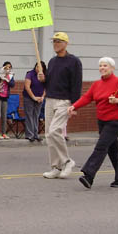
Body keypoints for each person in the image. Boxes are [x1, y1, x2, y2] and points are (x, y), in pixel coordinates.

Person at [68, 57, 118, 189]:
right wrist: (74, 106)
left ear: (112, 68)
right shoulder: (96, 84)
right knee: (112, 150)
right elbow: (87, 97)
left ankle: (89, 175)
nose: (102, 68)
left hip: (116, 120)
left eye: (105, 66)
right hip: (103, 120)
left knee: (101, 146)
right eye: (100, 66)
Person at [37, 32, 82, 179]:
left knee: (55, 130)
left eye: (59, 41)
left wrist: (75, 105)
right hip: (50, 99)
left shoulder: (74, 61)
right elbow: (50, 82)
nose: (56, 44)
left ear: (66, 43)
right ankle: (55, 167)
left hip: (65, 101)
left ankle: (67, 161)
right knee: (48, 135)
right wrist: (43, 79)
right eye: (54, 41)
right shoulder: (52, 61)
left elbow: (76, 84)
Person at [23, 61, 46, 142]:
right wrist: (33, 97)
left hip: (39, 98)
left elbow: (46, 87)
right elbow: (27, 87)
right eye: (37, 66)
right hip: (29, 97)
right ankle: (30, 135)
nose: (38, 68)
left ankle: (36, 134)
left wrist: (42, 97)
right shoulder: (30, 74)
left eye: (40, 67)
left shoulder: (44, 75)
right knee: (29, 116)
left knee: (36, 116)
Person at [0, 61, 15, 139]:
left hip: (5, 97)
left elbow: (12, 85)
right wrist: (2, 76)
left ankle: (3, 132)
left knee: (4, 116)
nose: (7, 69)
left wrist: (7, 79)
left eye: (9, 67)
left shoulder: (10, 75)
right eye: (6, 67)